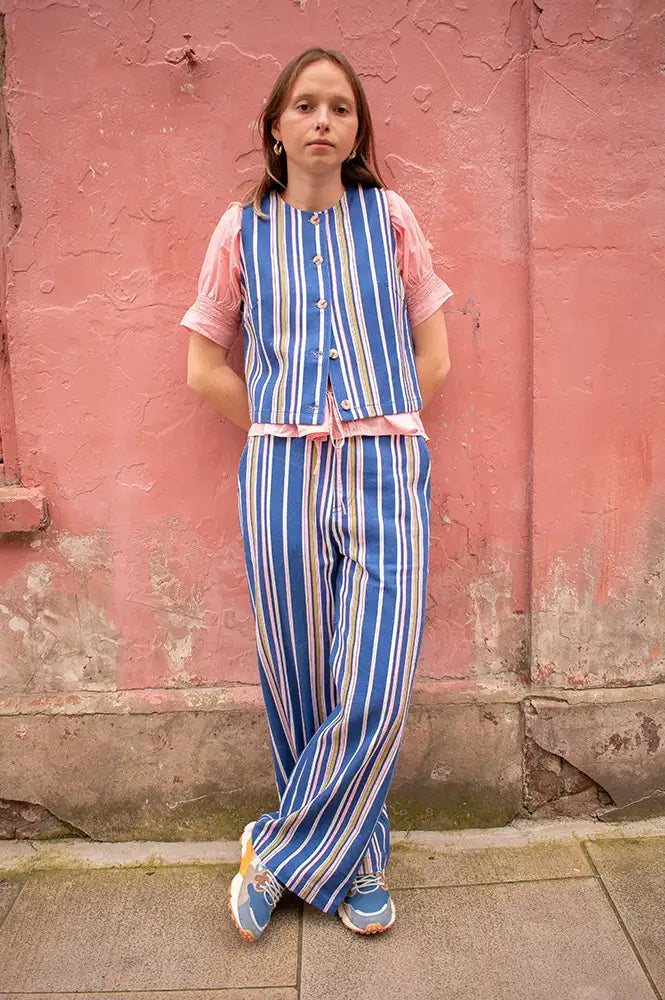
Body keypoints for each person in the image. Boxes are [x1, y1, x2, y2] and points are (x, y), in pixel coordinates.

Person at [181, 46, 453, 942]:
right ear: (276, 126)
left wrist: (382, 417)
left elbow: (435, 354)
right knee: (298, 675)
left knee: (373, 682)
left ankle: (276, 850)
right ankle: (358, 861)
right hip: (280, 472)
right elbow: (203, 365)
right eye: (306, 105)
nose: (324, 120)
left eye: (340, 107)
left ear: (357, 129)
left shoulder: (392, 218)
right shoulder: (239, 231)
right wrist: (283, 419)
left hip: (385, 463)